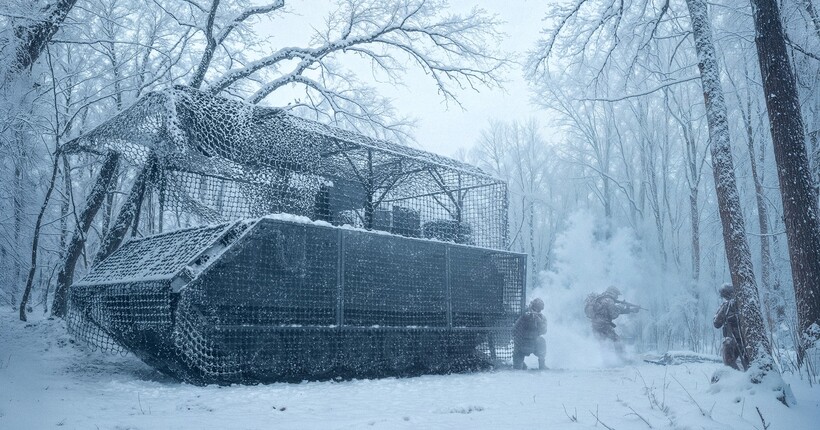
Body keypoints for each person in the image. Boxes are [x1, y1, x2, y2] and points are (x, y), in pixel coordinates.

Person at [713, 283, 748, 370]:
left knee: (729, 366)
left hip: (732, 342)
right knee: (747, 365)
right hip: (746, 341)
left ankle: (735, 379)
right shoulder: (744, 303)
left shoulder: (726, 306)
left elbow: (716, 323)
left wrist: (723, 308)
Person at [513, 298, 547, 370]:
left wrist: (539, 321)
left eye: (537, 309)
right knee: (517, 367)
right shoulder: (524, 315)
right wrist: (525, 318)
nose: (535, 311)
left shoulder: (541, 317)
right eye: (534, 308)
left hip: (534, 343)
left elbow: (544, 331)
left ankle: (542, 364)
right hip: (523, 342)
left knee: (541, 341)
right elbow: (515, 328)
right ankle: (519, 364)